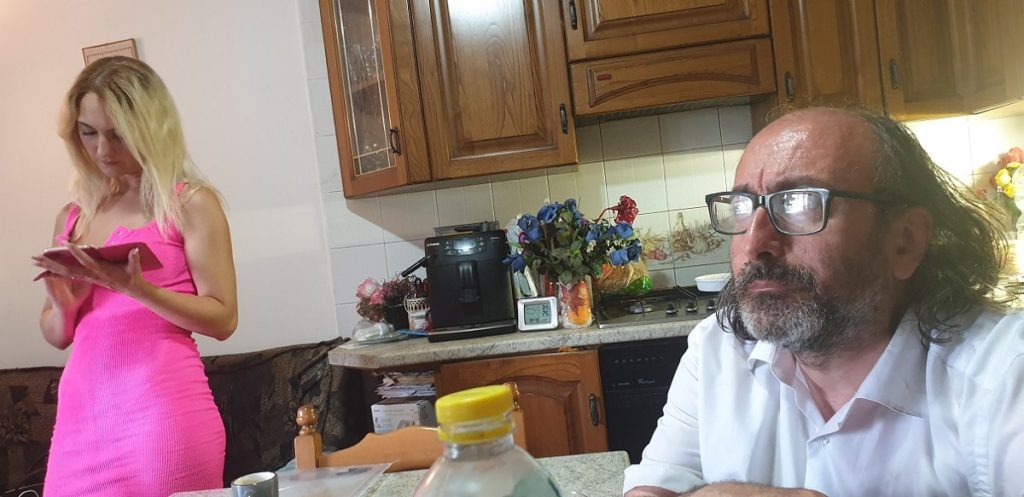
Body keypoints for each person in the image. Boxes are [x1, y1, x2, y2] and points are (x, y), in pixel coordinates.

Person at [623, 107, 1024, 497]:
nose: (755, 244)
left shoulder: (1004, 377)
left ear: (905, 241)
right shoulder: (717, 349)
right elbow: (652, 487)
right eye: (743, 208)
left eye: (799, 204)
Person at [31, 56, 238, 496]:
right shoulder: (73, 217)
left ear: (151, 128)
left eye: (118, 134)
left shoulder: (190, 204)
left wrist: (137, 289)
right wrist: (66, 308)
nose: (102, 150)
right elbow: (56, 334)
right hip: (81, 421)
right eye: (88, 132)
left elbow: (223, 319)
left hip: (163, 416)